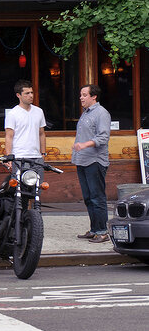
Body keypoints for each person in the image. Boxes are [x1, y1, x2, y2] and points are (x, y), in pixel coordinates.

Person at [72, 84, 111, 243]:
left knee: (97, 197)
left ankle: (103, 232)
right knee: (88, 198)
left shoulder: (101, 113)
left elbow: (103, 137)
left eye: (84, 95)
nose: (81, 97)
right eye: (80, 94)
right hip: (82, 160)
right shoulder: (86, 113)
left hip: (95, 161)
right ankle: (94, 229)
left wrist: (84, 145)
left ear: (94, 97)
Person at [4, 79, 46, 170]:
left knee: (38, 183)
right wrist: (9, 157)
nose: (31, 95)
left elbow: (41, 133)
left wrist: (43, 153)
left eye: (32, 92)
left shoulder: (39, 111)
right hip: (19, 156)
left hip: (37, 157)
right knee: (20, 183)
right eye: (27, 93)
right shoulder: (13, 113)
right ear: (18, 95)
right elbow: (9, 136)